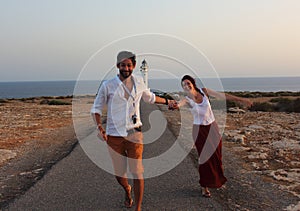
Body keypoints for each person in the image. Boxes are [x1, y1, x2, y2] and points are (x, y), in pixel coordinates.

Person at [91, 51, 173, 211]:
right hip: (114, 136)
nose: (126, 68)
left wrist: (168, 102)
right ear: (117, 66)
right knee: (120, 175)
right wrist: (99, 126)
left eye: (129, 65)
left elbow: (151, 97)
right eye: (123, 65)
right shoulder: (108, 86)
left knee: (137, 172)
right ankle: (127, 190)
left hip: (135, 133)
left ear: (134, 66)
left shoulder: (140, 82)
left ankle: (138, 207)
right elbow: (96, 108)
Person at [170, 75, 252, 198]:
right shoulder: (187, 99)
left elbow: (223, 96)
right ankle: (204, 186)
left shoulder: (205, 91)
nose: (186, 86)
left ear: (193, 83)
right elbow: (179, 104)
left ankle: (217, 180)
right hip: (199, 130)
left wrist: (241, 99)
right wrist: (174, 106)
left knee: (217, 156)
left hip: (212, 127)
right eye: (183, 85)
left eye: (188, 83)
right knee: (204, 159)